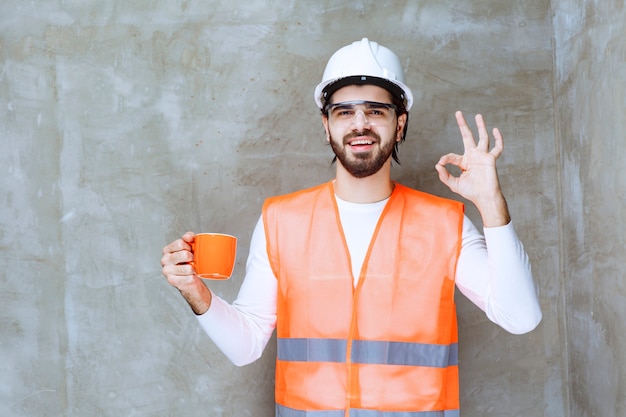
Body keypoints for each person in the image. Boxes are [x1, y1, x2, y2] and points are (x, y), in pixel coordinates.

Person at [161, 38, 542, 417]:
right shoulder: (282, 220)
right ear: (326, 125)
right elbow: (245, 347)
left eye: (376, 111)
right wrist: (195, 291)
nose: (360, 124)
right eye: (344, 112)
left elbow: (521, 318)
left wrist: (491, 203)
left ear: (400, 122)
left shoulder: (446, 224)